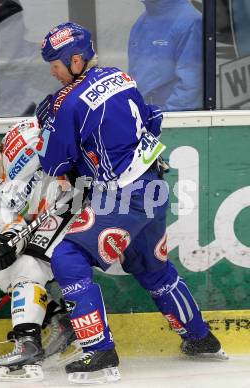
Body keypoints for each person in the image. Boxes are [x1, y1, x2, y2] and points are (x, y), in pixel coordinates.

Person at [37, 22, 228, 384]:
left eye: (56, 64)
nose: (52, 71)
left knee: (67, 257)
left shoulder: (69, 102)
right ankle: (201, 339)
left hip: (124, 197)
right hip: (153, 188)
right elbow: (151, 120)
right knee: (152, 270)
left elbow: (55, 164)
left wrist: (57, 137)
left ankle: (99, 352)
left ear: (75, 59)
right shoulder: (121, 77)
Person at [0, 118, 80, 382]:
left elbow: (69, 126)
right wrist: (4, 244)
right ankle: (59, 321)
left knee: (28, 266)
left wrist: (77, 167)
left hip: (78, 202)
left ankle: (27, 344)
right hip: (49, 221)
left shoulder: (24, 138)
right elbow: (12, 227)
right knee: (0, 271)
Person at [128, 0, 203, 111]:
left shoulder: (190, 21)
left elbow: (190, 87)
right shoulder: (142, 20)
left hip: (169, 119)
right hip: (143, 116)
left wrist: (162, 118)